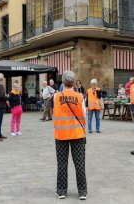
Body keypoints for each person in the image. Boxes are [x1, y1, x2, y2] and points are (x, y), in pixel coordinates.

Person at [53, 71, 87, 200]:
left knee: (62, 163)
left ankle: (62, 191)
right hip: (77, 134)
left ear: (62, 82)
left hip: (61, 134)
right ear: (74, 82)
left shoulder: (56, 96)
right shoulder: (79, 97)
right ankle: (82, 191)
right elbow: (84, 115)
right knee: (80, 163)